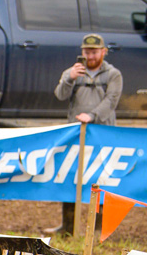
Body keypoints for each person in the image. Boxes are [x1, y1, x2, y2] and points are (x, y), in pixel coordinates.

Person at [45, 33, 122, 235]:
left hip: (102, 132)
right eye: (87, 52)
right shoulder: (72, 72)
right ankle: (68, 227)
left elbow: (111, 100)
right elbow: (60, 95)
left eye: (94, 52)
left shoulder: (113, 74)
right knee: (70, 175)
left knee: (101, 178)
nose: (90, 56)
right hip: (75, 132)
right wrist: (70, 78)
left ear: (103, 52)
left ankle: (98, 228)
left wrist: (92, 115)